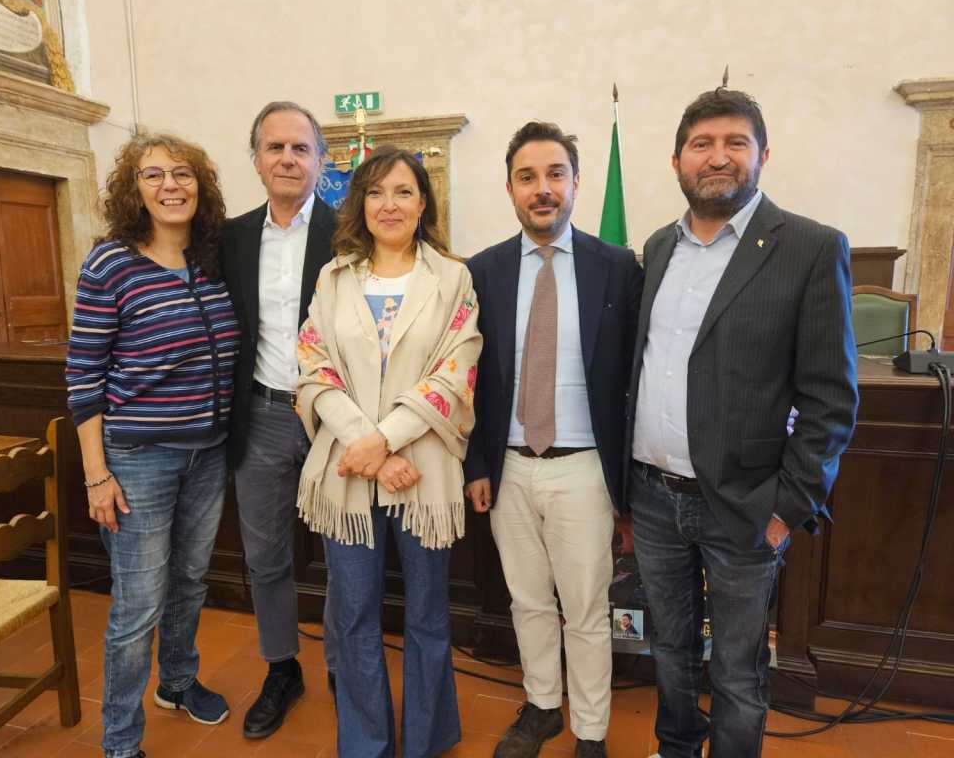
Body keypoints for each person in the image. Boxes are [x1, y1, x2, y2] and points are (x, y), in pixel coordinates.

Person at [627, 88, 858, 758]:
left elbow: (831, 399)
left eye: (735, 143)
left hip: (745, 506)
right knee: (668, 652)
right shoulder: (657, 247)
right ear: (677, 160)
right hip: (653, 498)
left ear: (763, 155)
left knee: (736, 668)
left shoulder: (810, 248)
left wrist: (787, 507)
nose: (718, 157)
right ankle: (675, 750)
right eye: (702, 144)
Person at [294, 146, 481, 758]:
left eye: (402, 191)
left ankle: (427, 741)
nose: (389, 204)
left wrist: (384, 440)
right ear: (359, 204)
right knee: (352, 619)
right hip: (348, 473)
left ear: (423, 201)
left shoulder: (452, 278)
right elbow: (314, 367)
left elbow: (454, 372)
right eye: (375, 192)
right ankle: (366, 745)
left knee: (427, 616)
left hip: (422, 475)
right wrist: (366, 446)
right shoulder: (334, 276)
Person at [464, 121, 643, 758]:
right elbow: (474, 379)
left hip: (584, 470)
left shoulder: (617, 267)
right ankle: (542, 706)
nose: (542, 189)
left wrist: (627, 486)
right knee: (528, 601)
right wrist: (478, 463)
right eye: (527, 177)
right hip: (510, 467)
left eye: (554, 175)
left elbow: (632, 377)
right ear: (510, 188)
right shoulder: (481, 271)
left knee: (587, 611)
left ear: (575, 181)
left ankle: (590, 731)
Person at [66, 132, 241, 758]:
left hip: (209, 450)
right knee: (137, 604)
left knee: (191, 579)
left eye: (183, 173)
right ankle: (118, 742)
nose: (170, 185)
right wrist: (96, 474)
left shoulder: (214, 258)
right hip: (139, 458)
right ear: (133, 190)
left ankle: (177, 680)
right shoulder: (111, 263)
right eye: (153, 175)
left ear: (201, 185)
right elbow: (83, 378)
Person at [218, 100, 338, 739]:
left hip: (334, 421)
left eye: (300, 148)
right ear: (258, 159)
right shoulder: (233, 236)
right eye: (275, 148)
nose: (287, 159)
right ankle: (282, 666)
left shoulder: (353, 231)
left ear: (320, 160)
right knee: (266, 557)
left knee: (347, 553)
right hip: (261, 416)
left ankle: (348, 665)